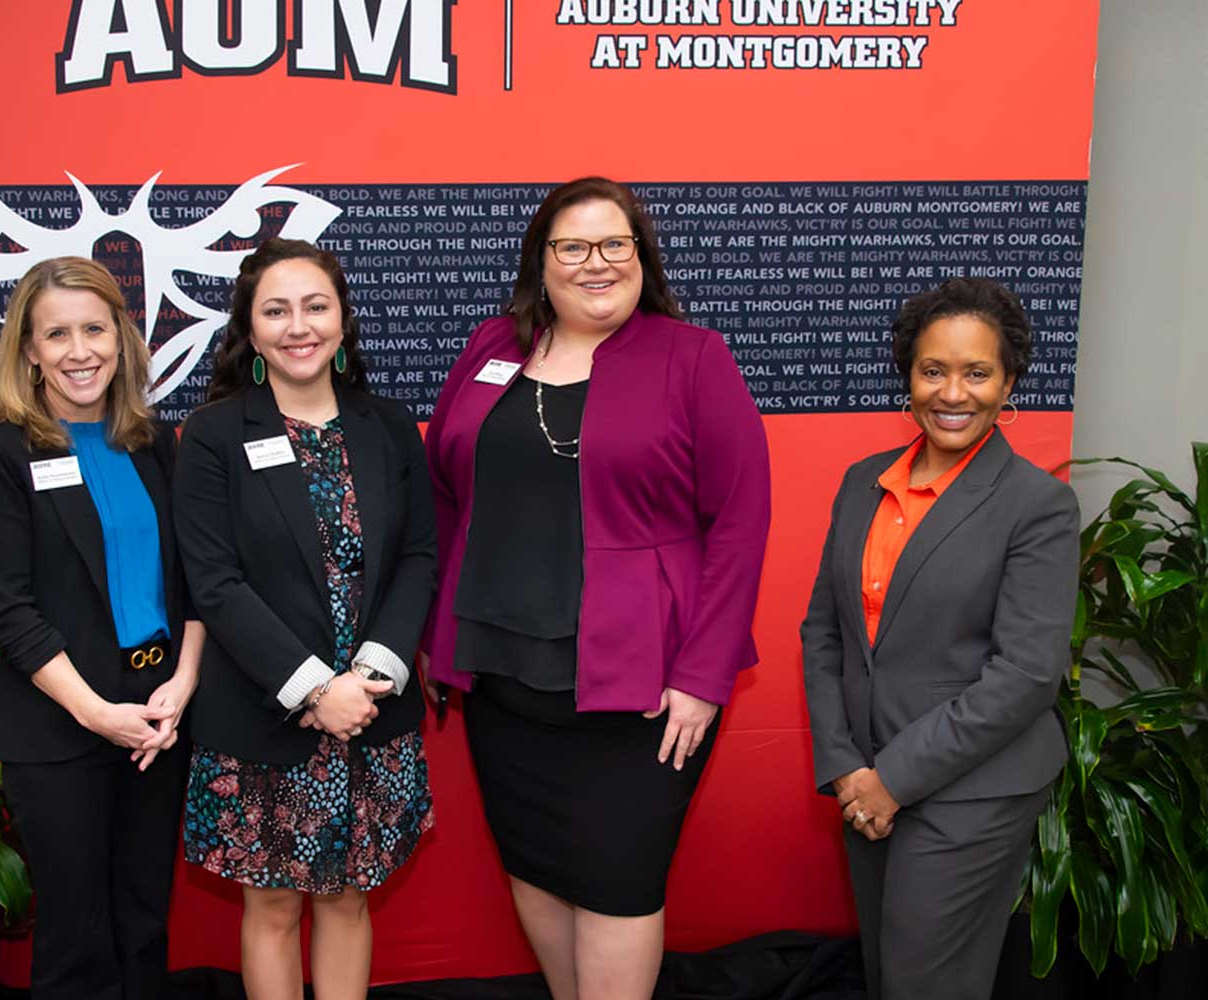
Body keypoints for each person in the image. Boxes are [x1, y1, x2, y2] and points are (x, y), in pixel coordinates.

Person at [422, 177, 772, 1000]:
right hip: (504, 673)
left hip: (644, 686)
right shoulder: (491, 349)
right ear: (540, 264)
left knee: (618, 879)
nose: (595, 264)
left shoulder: (694, 358)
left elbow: (740, 523)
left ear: (641, 258)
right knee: (536, 867)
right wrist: (439, 633)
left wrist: (702, 676)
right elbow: (444, 487)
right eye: (572, 247)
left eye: (615, 244)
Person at [800, 277, 1079, 1000]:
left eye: (977, 372)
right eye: (933, 370)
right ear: (909, 377)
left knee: (927, 984)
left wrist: (894, 778)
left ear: (1009, 381)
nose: (953, 393)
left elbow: (1025, 674)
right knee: (886, 975)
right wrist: (845, 766)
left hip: (971, 788)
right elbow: (824, 632)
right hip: (864, 778)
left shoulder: (1038, 505)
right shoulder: (864, 482)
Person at [173, 238, 437, 1000]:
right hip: (267, 714)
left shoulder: (387, 426)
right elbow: (214, 583)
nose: (299, 326)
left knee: (350, 896)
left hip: (373, 714)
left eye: (316, 306)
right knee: (273, 902)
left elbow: (420, 554)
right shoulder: (216, 434)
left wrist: (373, 675)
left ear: (343, 320)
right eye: (276, 310)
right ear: (250, 332)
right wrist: (319, 690)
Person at [0, 256, 203, 1000]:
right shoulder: (2, 454)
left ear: (122, 337)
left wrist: (180, 691)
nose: (79, 350)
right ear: (28, 350)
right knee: (76, 940)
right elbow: (7, 611)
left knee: (143, 924)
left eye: (95, 328)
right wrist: (97, 713)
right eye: (56, 334)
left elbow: (195, 584)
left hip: (156, 724)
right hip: (60, 730)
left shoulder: (154, 444)